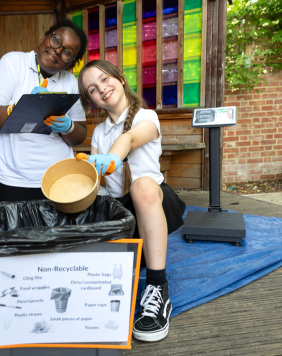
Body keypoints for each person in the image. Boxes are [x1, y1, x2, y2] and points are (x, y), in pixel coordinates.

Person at [76, 60, 186, 342]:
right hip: (124, 218)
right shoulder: (99, 133)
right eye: (93, 89)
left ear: (120, 79)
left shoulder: (147, 117)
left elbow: (131, 137)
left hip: (155, 206)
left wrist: (115, 155)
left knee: (141, 186)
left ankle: (158, 288)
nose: (102, 88)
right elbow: (97, 185)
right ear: (92, 101)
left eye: (104, 79)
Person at [0, 19, 88, 204]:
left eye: (68, 53)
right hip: (10, 179)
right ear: (45, 38)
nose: (58, 51)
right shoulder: (13, 63)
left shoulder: (70, 82)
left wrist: (68, 127)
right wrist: (19, 107)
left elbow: (79, 135)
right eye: (56, 40)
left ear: (70, 64)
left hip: (58, 179)